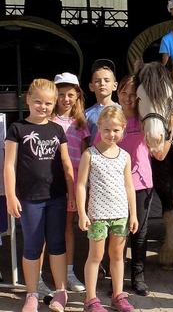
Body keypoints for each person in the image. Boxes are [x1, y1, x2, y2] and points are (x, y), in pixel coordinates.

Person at [4, 79, 75, 312]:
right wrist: (11, 196)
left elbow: (66, 164)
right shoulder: (17, 129)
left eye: (48, 103)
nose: (42, 107)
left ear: (54, 104)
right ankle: (32, 294)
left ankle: (61, 292)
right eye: (38, 102)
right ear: (28, 100)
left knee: (56, 244)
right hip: (29, 199)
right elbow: (9, 165)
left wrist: (72, 194)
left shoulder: (57, 129)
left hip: (56, 197)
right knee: (32, 246)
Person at [109, 75, 173, 296]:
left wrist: (172, 127)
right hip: (115, 184)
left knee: (140, 231)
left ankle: (138, 276)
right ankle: (116, 278)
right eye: (124, 93)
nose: (128, 98)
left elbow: (160, 155)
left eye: (133, 95)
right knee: (118, 231)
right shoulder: (112, 120)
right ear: (118, 93)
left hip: (141, 184)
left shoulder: (145, 120)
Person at [76, 106, 138, 312]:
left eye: (116, 130)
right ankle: (91, 298)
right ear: (99, 128)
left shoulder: (125, 156)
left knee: (118, 255)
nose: (111, 134)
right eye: (107, 130)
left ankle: (118, 294)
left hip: (120, 215)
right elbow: (81, 185)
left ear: (123, 129)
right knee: (95, 256)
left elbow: (130, 186)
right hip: (98, 216)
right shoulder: (90, 155)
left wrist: (133, 214)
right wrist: (82, 213)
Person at [52, 72, 90, 293]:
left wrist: (81, 186)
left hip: (73, 183)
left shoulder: (80, 123)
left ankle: (68, 272)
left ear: (77, 96)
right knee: (49, 228)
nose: (65, 99)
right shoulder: (48, 120)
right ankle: (40, 276)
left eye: (70, 94)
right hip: (52, 182)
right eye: (61, 94)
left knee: (68, 227)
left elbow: (85, 157)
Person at [85, 59, 120, 145]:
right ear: (91, 86)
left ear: (115, 86)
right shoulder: (86, 114)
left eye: (107, 80)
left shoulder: (121, 110)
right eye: (97, 81)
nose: (102, 83)